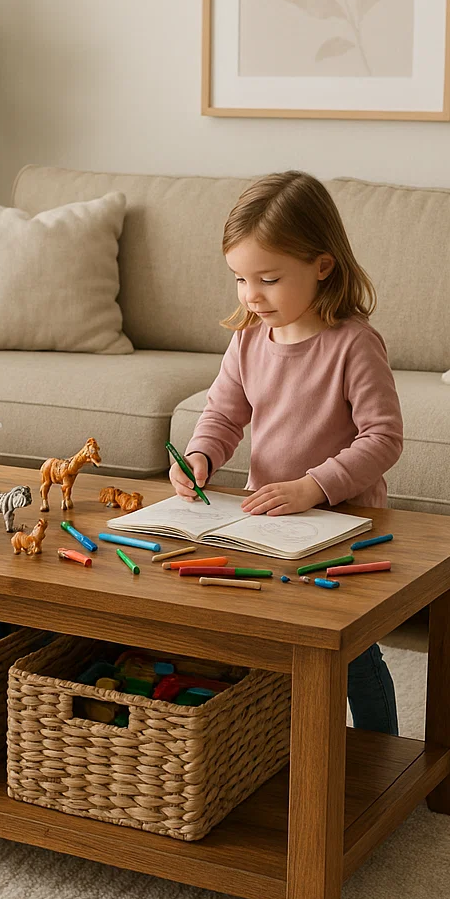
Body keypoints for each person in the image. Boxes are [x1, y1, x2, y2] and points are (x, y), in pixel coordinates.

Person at [170, 170, 404, 735]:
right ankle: (274, 743)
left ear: (322, 266)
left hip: (343, 524)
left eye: (268, 279)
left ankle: (378, 751)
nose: (251, 296)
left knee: (347, 652)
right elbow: (224, 415)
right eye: (239, 279)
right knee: (264, 637)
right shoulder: (249, 338)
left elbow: (383, 438)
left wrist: (313, 487)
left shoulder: (353, 344)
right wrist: (201, 457)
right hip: (268, 520)